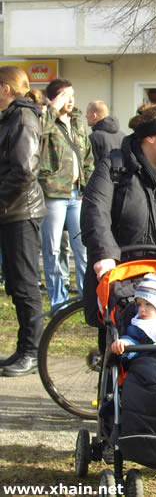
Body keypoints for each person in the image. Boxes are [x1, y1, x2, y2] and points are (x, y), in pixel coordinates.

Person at [80, 103, 156, 328]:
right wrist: (104, 255)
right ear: (151, 138)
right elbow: (95, 212)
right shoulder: (114, 167)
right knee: (119, 338)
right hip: (120, 275)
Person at [0, 66, 47, 377]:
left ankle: (32, 352)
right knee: (17, 285)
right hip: (12, 211)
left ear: (5, 89)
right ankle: (24, 348)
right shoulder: (13, 117)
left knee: (25, 284)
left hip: (20, 211)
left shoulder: (22, 117)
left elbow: (24, 171)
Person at [39, 78, 94, 308]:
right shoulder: (45, 120)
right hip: (53, 192)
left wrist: (87, 185)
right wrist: (51, 109)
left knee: (82, 248)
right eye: (64, 95)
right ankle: (58, 302)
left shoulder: (78, 123)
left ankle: (86, 298)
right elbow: (38, 134)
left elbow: (87, 156)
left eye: (72, 95)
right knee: (52, 249)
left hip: (76, 194)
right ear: (53, 98)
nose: (70, 100)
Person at [110, 269, 156, 359]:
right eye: (139, 305)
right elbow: (134, 341)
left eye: (148, 304)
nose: (142, 309)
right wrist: (126, 343)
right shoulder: (138, 327)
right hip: (148, 364)